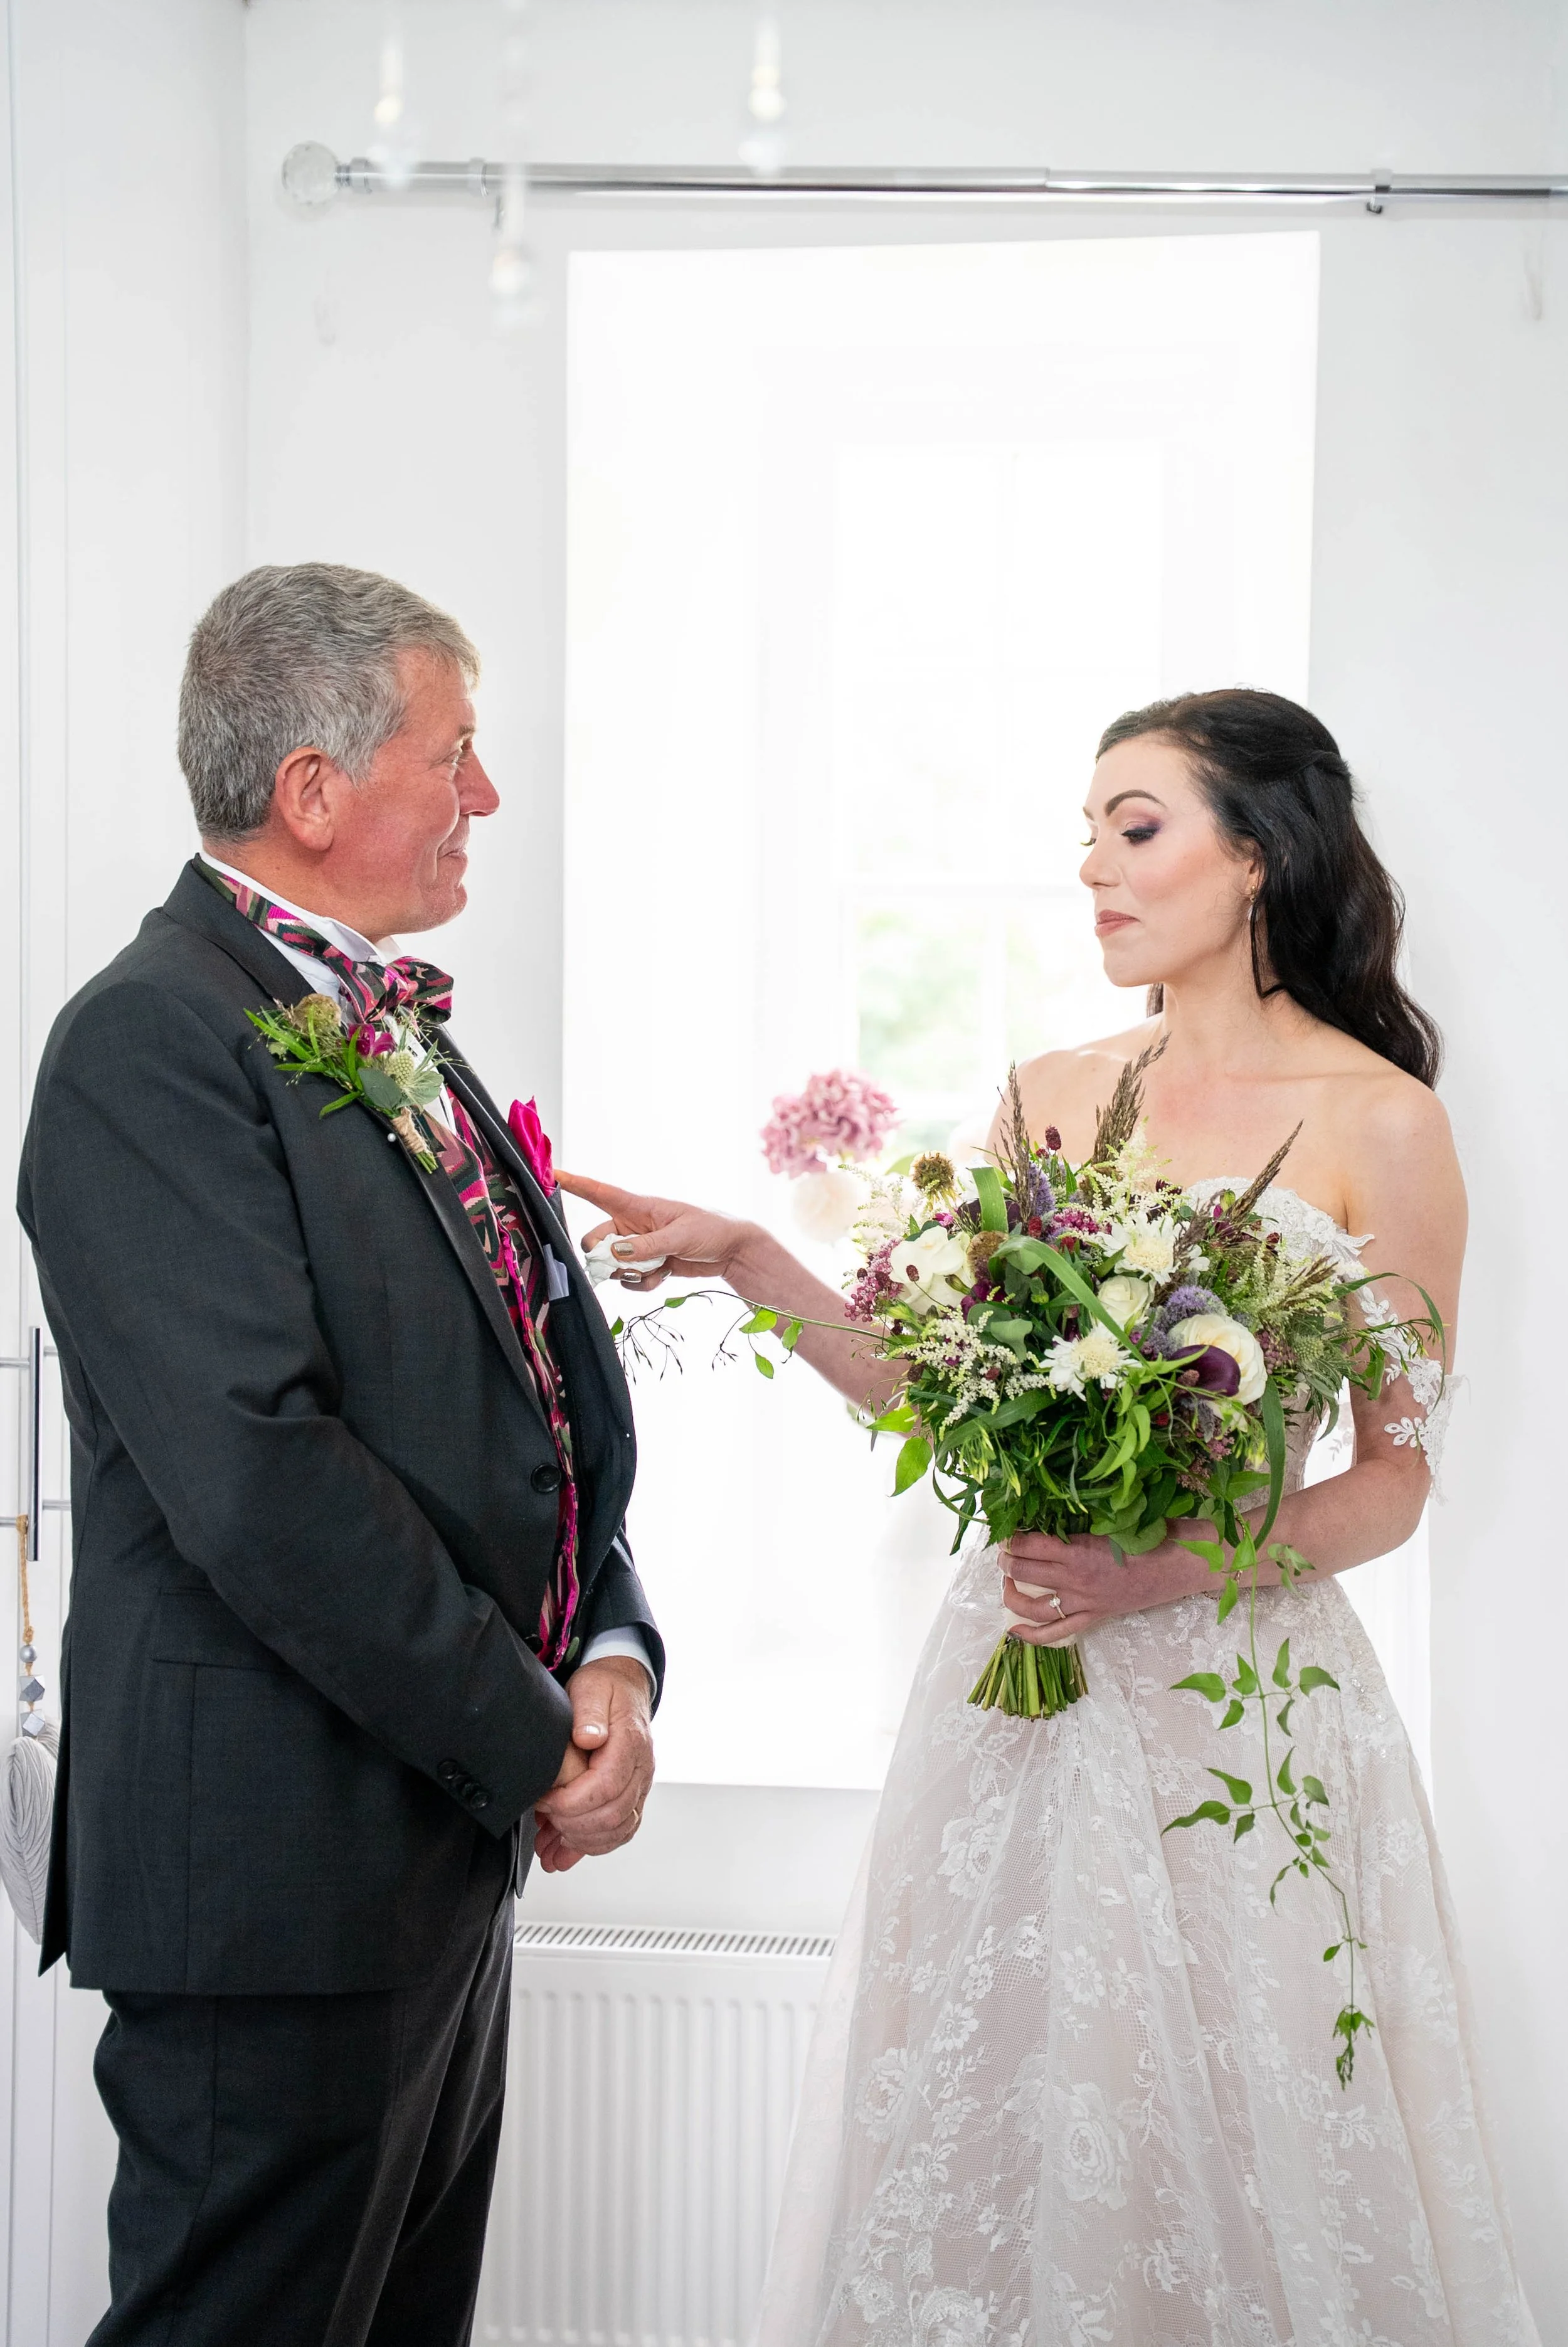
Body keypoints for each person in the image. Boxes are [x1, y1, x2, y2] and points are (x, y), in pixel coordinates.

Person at [561, 690, 1537, 2344]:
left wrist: (1165, 1567)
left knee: (1233, 2137)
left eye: (1132, 825)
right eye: (1084, 831)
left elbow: (1390, 1480)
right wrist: (751, 1256)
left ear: (1254, 855)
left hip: (1241, 1719)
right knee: (999, 2121)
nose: (1090, 867)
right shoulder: (1049, 1093)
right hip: (1018, 1690)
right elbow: (937, 1396)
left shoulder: (1384, 1119)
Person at [17, 563, 662, 2347]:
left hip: (429, 1847)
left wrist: (609, 1649)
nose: (486, 795)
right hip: (274, 1877)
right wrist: (533, 1733)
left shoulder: (398, 1023)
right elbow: (261, 1474)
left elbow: (529, 1404)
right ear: (311, 789)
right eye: (454, 752)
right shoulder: (147, 1042)